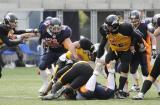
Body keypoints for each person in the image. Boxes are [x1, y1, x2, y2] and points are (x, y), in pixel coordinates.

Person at [94, 14, 145, 99]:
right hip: (114, 49)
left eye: (109, 26)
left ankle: (120, 90)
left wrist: (140, 45)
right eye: (107, 25)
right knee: (108, 61)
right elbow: (102, 45)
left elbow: (138, 36)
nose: (107, 27)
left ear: (115, 26)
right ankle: (113, 87)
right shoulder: (105, 30)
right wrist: (97, 57)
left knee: (124, 68)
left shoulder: (125, 28)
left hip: (126, 50)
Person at [38, 17, 78, 94]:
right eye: (54, 28)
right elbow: (37, 33)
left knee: (59, 71)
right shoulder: (44, 31)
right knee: (41, 66)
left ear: (61, 27)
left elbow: (69, 44)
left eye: (58, 28)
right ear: (49, 27)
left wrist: (73, 54)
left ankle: (60, 87)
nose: (56, 30)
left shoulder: (65, 32)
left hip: (62, 53)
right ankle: (45, 83)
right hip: (51, 52)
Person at [129, 10, 160, 93]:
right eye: (132, 20)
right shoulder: (130, 27)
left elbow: (153, 36)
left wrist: (153, 48)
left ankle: (158, 88)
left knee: (147, 72)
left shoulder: (145, 26)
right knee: (132, 70)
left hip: (144, 51)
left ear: (139, 19)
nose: (133, 22)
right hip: (135, 51)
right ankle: (136, 86)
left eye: (135, 20)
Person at [0, 12, 37, 78]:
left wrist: (32, 30)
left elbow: (17, 32)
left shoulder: (7, 27)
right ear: (7, 21)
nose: (15, 23)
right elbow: (9, 43)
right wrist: (21, 41)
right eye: (13, 22)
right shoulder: (2, 28)